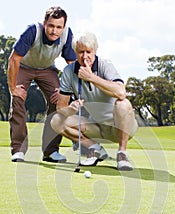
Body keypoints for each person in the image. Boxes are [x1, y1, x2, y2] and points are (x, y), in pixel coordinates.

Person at [50, 31, 138, 170]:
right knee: (56, 120)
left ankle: (122, 153)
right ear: (75, 52)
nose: (85, 56)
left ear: (95, 51)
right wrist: (71, 109)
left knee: (124, 104)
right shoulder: (68, 71)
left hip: (120, 126)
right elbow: (60, 107)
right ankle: (95, 149)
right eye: (80, 52)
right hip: (96, 126)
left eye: (88, 52)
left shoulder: (105, 65)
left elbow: (121, 92)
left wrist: (91, 78)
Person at [7, 6, 76, 162]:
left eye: (59, 27)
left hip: (47, 69)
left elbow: (72, 65)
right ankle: (18, 150)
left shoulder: (67, 35)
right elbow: (14, 59)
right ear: (45, 23)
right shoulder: (32, 31)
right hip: (23, 66)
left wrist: (65, 91)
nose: (54, 31)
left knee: (59, 101)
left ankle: (50, 151)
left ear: (63, 27)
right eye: (51, 26)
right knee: (18, 99)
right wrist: (13, 88)